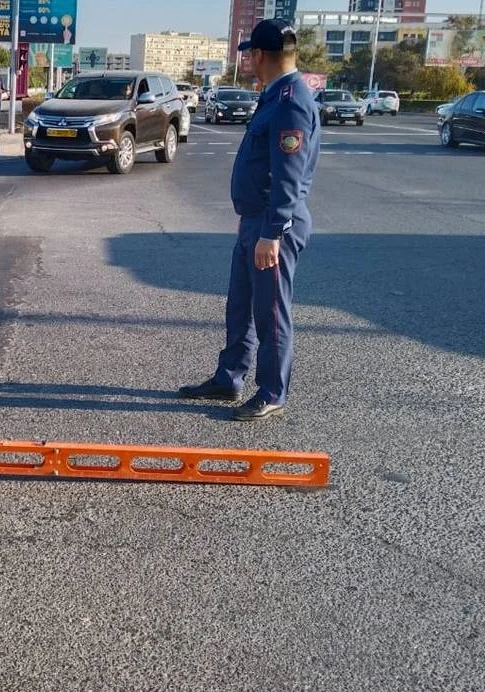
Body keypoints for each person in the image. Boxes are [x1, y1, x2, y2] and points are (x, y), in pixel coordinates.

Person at [178, 18, 320, 421]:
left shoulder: (291, 101)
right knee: (241, 305)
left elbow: (288, 176)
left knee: (271, 310)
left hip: (272, 225)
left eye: (249, 55)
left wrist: (273, 233)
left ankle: (272, 391)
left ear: (259, 55)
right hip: (254, 221)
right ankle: (230, 377)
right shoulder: (276, 95)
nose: (248, 63)